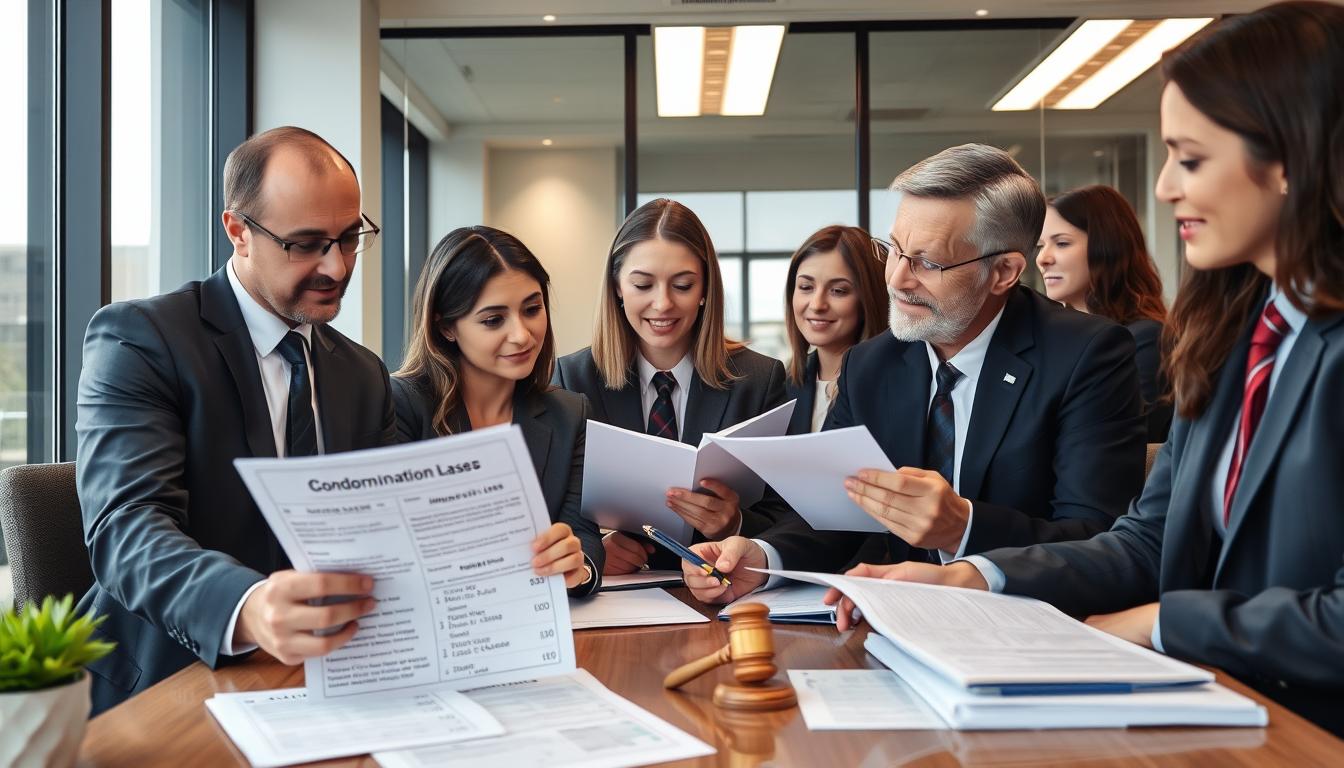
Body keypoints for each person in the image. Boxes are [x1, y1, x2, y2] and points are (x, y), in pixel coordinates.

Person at [818, 1, 1344, 737]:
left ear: (1294, 159)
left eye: (1190, 159)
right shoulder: (1228, 339)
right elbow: (1147, 541)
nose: (1163, 187)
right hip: (1215, 715)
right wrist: (964, 578)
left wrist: (1163, 623)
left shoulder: (1105, 349)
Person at [73, 127, 577, 715]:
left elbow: (390, 533)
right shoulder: (143, 339)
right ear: (237, 230)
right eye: (306, 244)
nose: (336, 267)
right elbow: (126, 526)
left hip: (321, 681)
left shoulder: (360, 374)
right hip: (161, 682)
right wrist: (248, 606)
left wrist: (512, 562)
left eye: (348, 238)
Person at [684, 143, 1146, 603]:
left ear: (1004, 271)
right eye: (895, 250)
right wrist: (760, 559)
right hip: (892, 624)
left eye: (927, 262)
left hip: (1028, 626)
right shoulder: (872, 363)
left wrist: (962, 527)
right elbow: (837, 508)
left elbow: (1098, 537)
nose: (896, 279)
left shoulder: (1087, 355)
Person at [552, 198, 788, 574]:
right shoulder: (572, 378)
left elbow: (790, 515)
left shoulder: (759, 380)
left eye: (682, 285)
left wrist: (735, 524)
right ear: (617, 287)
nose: (662, 304)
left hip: (721, 592)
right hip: (615, 602)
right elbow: (548, 512)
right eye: (643, 284)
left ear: (705, 289)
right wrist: (593, 550)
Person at [391, 226, 601, 595]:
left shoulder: (568, 413)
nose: (522, 335)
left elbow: (583, 533)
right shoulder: (401, 404)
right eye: (493, 320)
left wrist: (578, 567)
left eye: (532, 309)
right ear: (446, 327)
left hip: (535, 624)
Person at [1038, 184, 1173, 441]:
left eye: (1062, 243)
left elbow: (1126, 444)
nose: (1043, 258)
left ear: (1107, 247)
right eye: (1040, 245)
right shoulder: (1053, 340)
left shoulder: (1145, 340)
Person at [783, 225, 889, 434]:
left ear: (868, 298)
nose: (817, 304)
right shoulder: (783, 386)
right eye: (806, 287)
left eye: (838, 291)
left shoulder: (894, 386)